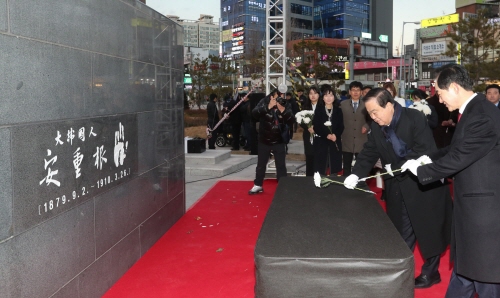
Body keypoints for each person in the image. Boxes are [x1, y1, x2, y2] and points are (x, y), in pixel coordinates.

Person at [402, 64, 500, 297]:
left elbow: (460, 156)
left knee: (486, 278)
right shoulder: (473, 110)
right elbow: (456, 148)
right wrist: (427, 158)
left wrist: (423, 170)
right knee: (467, 273)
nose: (439, 99)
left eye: (440, 92)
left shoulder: (482, 114)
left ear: (454, 87)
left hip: (483, 213)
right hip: (472, 209)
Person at [343, 88, 452, 289]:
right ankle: (399, 272)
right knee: (401, 232)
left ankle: (431, 272)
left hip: (423, 185)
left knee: (428, 231)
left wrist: (395, 167)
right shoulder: (377, 127)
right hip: (396, 187)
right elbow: (369, 152)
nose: (373, 117)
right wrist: (355, 174)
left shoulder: (414, 118)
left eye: (376, 112)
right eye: (370, 114)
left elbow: (425, 151)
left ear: (390, 105)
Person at [248, 89, 295, 194]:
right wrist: (268, 106)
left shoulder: (285, 104)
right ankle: (258, 185)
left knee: (281, 165)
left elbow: (292, 120)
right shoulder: (264, 101)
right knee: (261, 164)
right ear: (271, 96)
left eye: (282, 96)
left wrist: (283, 110)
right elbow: (254, 114)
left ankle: (283, 186)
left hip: (279, 139)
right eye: (277, 96)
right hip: (264, 139)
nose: (279, 99)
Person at [340, 81, 369, 176]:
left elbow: (371, 119)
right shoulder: (342, 104)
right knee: (346, 166)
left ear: (361, 92)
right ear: (349, 92)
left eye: (358, 90)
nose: (355, 92)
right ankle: (346, 185)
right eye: (353, 90)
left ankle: (359, 184)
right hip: (346, 139)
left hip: (361, 139)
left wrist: (366, 126)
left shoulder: (367, 104)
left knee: (360, 166)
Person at [313, 85, 344, 175]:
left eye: (331, 95)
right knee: (321, 166)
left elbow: (341, 126)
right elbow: (316, 126)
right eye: (326, 95)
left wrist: (335, 135)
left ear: (334, 97)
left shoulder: (338, 110)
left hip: (335, 141)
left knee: (334, 167)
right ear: (323, 98)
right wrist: (326, 135)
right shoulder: (319, 110)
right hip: (322, 141)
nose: (329, 98)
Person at [300, 86, 320, 176]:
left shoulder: (323, 106)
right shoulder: (305, 107)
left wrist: (316, 128)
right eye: (311, 93)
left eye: (315, 93)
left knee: (320, 159)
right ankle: (309, 180)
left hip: (321, 137)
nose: (313, 96)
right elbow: (300, 120)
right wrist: (307, 126)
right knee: (309, 158)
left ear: (319, 95)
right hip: (308, 136)